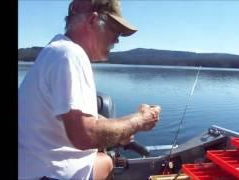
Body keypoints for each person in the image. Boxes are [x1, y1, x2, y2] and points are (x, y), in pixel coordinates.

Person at [18, 0, 161, 179]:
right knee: (107, 161)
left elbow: (70, 120)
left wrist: (120, 133)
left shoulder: (55, 51)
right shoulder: (71, 55)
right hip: (48, 175)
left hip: (30, 169)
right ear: (93, 21)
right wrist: (140, 120)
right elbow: (85, 135)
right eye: (115, 30)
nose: (117, 40)